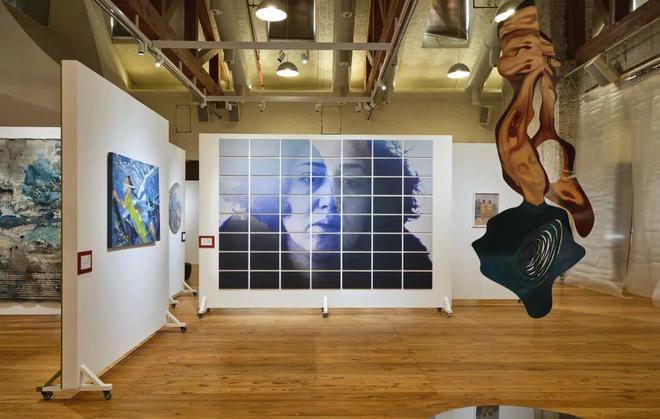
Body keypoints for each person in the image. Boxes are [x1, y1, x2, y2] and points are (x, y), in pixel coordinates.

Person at [218, 139, 431, 286]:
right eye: (309, 178)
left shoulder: (408, 267)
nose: (330, 201)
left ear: (375, 199)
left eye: (350, 182)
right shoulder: (234, 250)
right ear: (280, 191)